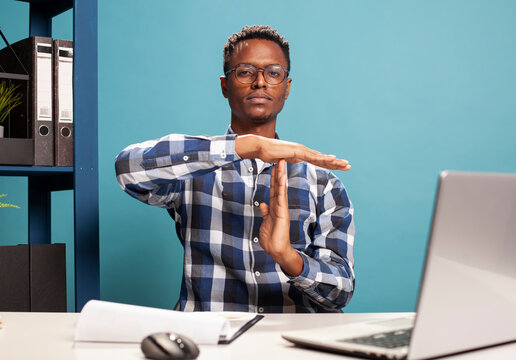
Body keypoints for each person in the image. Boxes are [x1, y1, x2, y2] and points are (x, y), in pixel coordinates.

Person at [115, 25, 355, 313]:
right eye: (245, 72)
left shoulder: (323, 184)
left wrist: (289, 257)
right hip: (209, 343)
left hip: (291, 345)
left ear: (286, 88)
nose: (260, 82)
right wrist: (248, 146)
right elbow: (127, 168)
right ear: (225, 86)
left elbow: (340, 292)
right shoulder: (191, 170)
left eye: (273, 73)